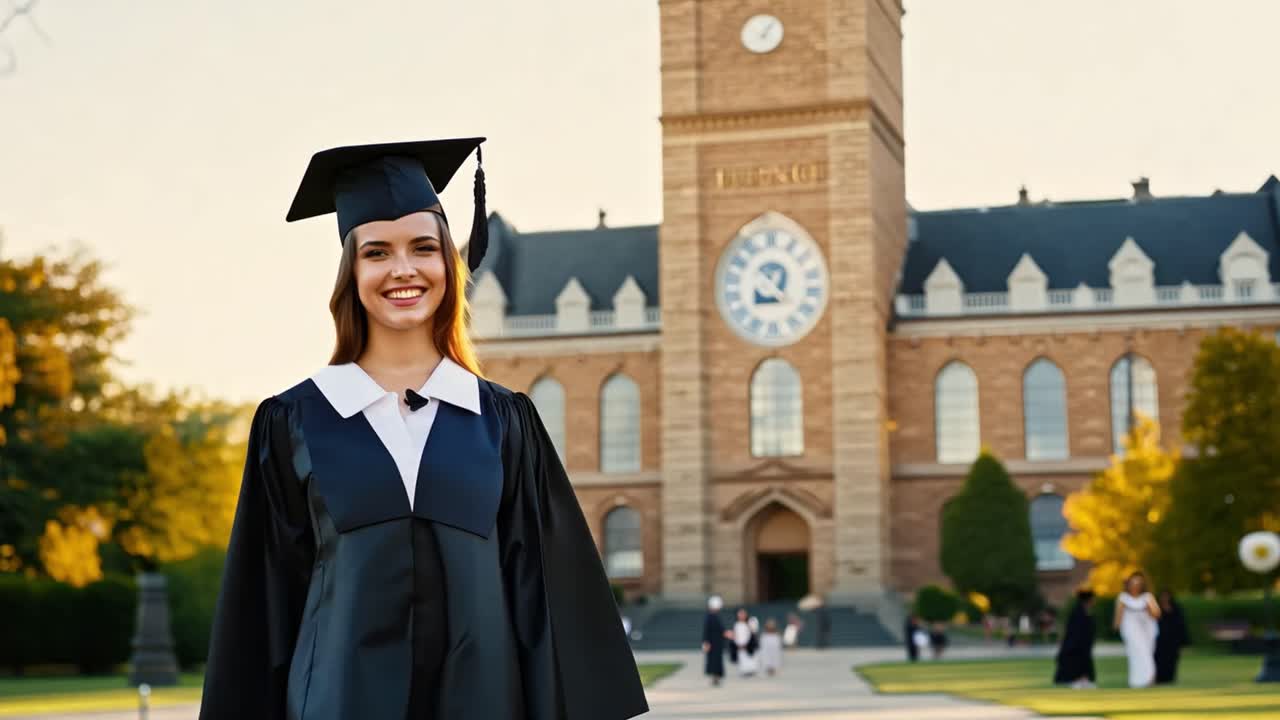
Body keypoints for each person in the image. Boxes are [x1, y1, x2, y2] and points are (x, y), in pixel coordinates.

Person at [198, 139, 648, 720]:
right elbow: (263, 604)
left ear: (448, 265)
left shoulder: (503, 422)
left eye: (424, 248)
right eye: (377, 252)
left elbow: (543, 601)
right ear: (351, 272)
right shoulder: (295, 421)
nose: (403, 269)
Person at [1114, 571, 1162, 688]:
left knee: (1147, 654)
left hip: (1147, 630)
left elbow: (1156, 614)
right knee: (1138, 654)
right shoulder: (1123, 597)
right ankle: (1138, 681)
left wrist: (1148, 607)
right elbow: (1118, 618)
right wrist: (1117, 629)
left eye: (1139, 583)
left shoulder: (1148, 597)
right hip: (1131, 630)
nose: (1136, 586)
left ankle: (1149, 679)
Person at [1054, 590, 1097, 688]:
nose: (1094, 601)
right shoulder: (1078, 613)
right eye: (1093, 599)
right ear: (1088, 600)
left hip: (1081, 646)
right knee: (1077, 662)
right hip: (1076, 645)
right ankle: (1078, 680)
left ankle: (1084, 679)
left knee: (1084, 662)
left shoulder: (1084, 612)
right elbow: (1074, 632)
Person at [1154, 590, 1190, 684]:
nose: (1164, 598)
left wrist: (1183, 641)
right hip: (1160, 640)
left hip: (1173, 640)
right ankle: (1159, 678)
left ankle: (1170, 678)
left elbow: (1181, 625)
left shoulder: (1176, 608)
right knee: (1159, 660)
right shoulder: (1155, 608)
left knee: (1172, 660)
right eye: (1163, 596)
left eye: (1166, 596)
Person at [702, 595, 727, 686]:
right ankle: (715, 678)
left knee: (716, 661)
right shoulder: (710, 617)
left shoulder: (715, 617)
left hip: (717, 643)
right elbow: (706, 631)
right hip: (713, 643)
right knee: (714, 661)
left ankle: (716, 677)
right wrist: (706, 642)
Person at [733, 608, 757, 676]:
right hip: (740, 645)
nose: (742, 616)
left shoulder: (749, 623)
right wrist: (738, 643)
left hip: (749, 645)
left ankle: (751, 670)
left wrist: (747, 643)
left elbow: (751, 633)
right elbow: (736, 635)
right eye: (740, 615)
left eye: (743, 614)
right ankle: (744, 671)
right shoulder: (736, 625)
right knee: (742, 658)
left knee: (750, 658)